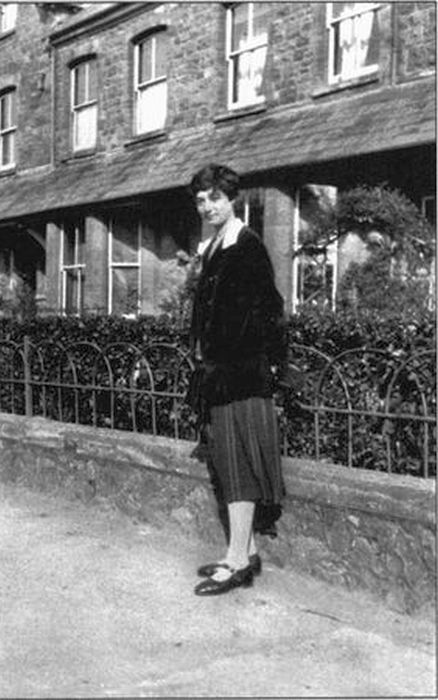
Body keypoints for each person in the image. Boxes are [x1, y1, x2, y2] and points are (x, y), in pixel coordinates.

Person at [187, 163, 288, 596]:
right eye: (201, 201)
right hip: (221, 375)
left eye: (215, 198)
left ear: (232, 200)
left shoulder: (246, 246)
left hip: (240, 376)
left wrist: (245, 361)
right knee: (229, 465)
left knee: (238, 466)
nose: (208, 207)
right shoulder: (216, 246)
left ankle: (236, 562)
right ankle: (245, 553)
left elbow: (270, 312)